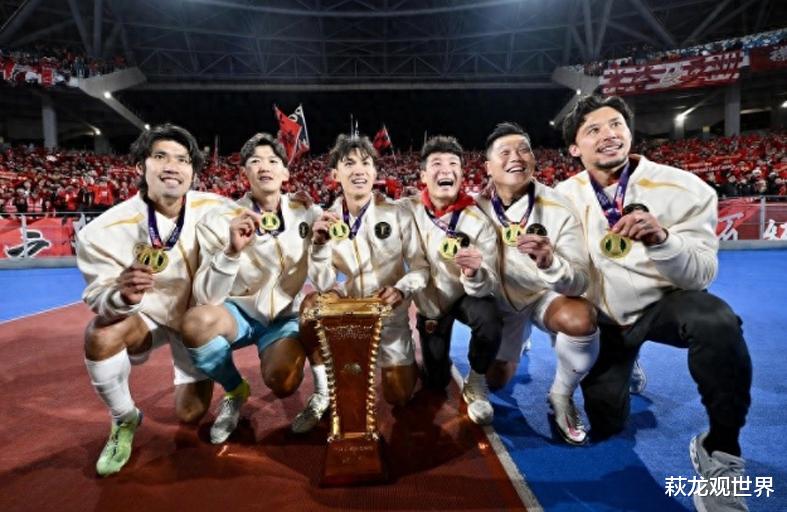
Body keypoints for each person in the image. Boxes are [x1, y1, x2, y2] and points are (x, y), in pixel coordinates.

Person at [556, 94, 752, 512]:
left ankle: (720, 450)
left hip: (664, 307)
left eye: (616, 124)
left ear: (629, 132)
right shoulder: (560, 199)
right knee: (607, 424)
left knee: (716, 321)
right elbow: (564, 280)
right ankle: (625, 367)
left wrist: (662, 240)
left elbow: (701, 275)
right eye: (593, 129)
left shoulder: (685, 188)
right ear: (574, 148)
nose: (609, 135)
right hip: (607, 320)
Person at [77, 124, 227, 476]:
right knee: (100, 335)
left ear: (193, 172)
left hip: (195, 323)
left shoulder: (218, 208)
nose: (172, 166)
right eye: (160, 157)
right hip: (147, 318)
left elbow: (266, 218)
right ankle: (124, 417)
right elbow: (98, 296)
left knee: (190, 414)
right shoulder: (100, 231)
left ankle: (204, 368)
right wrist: (122, 296)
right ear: (140, 166)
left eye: (183, 160)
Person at [180, 133, 320, 444]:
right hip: (238, 313)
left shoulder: (307, 212)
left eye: (273, 160)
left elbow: (340, 231)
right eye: (255, 161)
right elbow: (207, 297)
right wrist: (231, 252)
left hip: (284, 316)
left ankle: (309, 384)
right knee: (195, 323)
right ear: (245, 172)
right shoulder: (219, 219)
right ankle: (234, 389)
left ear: (285, 172)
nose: (264, 166)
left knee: (283, 381)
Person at [294, 134, 429, 433]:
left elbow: (421, 268)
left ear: (375, 172)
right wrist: (319, 246)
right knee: (309, 306)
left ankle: (412, 359)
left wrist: (401, 289)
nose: (359, 170)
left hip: (389, 315)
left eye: (366, 163)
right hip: (350, 312)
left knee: (399, 395)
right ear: (335, 174)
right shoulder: (326, 218)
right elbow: (324, 283)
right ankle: (323, 390)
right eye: (349, 163)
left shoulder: (398, 212)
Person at [477, 122, 599, 444]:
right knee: (496, 381)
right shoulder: (475, 208)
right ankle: (519, 339)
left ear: (533, 159)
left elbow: (580, 282)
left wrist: (550, 263)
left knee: (580, 319)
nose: (516, 157)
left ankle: (561, 394)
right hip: (503, 305)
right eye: (505, 152)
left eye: (524, 150)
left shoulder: (560, 206)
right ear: (488, 166)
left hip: (543, 297)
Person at [401, 135, 501, 426]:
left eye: (453, 163)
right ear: (423, 175)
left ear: (461, 172)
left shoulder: (478, 219)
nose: (446, 169)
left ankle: (477, 378)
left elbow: (490, 281)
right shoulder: (406, 208)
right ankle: (433, 364)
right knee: (436, 381)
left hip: (464, 295)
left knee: (490, 318)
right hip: (430, 301)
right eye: (437, 163)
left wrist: (474, 274)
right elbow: (368, 209)